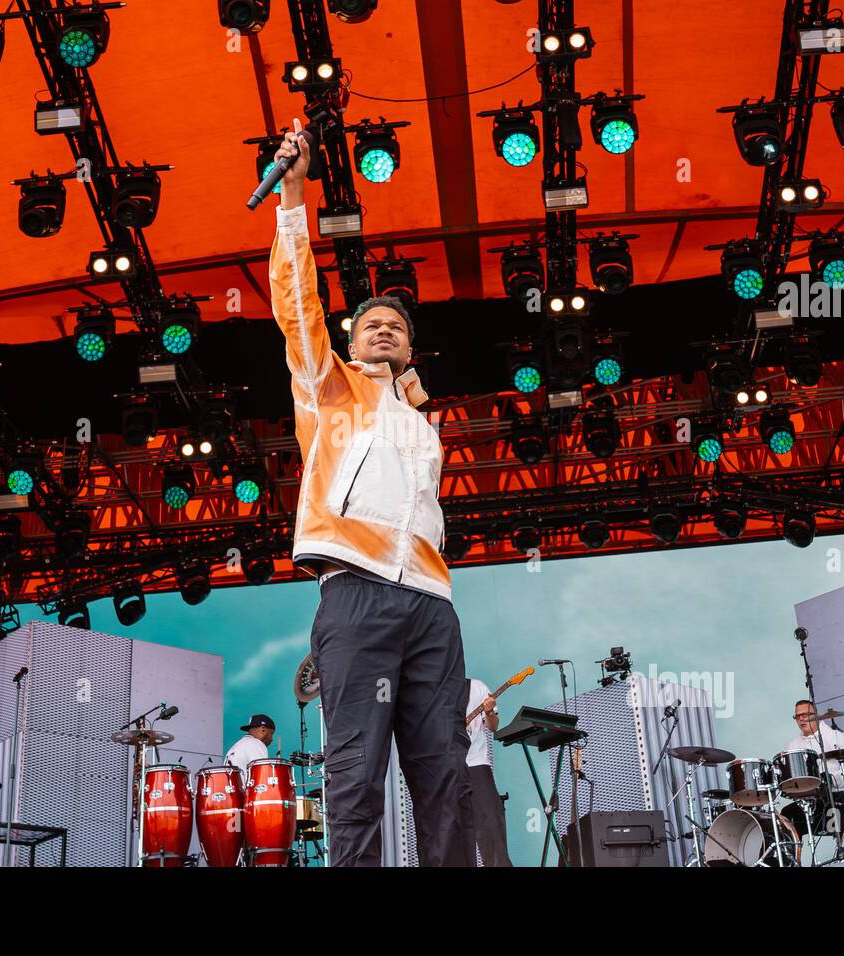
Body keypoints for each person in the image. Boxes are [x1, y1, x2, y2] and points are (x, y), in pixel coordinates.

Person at [268, 118, 475, 867]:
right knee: (356, 773)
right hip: (355, 595)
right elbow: (299, 309)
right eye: (370, 325)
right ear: (351, 344)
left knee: (444, 770)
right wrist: (294, 196)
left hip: (432, 606)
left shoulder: (425, 430)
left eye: (395, 326)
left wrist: (413, 400)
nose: (382, 329)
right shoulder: (329, 390)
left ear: (410, 348)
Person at [779, 700, 844, 849]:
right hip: (812, 802)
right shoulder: (794, 745)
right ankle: (792, 860)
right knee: (787, 814)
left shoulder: (837, 738)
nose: (801, 719)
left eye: (805, 715)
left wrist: (829, 779)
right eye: (797, 716)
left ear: (816, 715)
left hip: (839, 796)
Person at [465, 677, 512, 866]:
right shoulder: (431, 688)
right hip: (444, 766)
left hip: (476, 765)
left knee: (491, 828)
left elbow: (493, 727)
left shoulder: (477, 687)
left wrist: (489, 710)